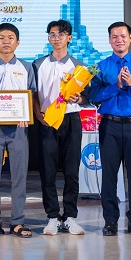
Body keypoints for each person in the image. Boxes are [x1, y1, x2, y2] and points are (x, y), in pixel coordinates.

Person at [91, 21, 131, 237]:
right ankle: (110, 221)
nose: (119, 40)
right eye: (114, 37)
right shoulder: (101, 66)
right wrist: (116, 86)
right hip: (109, 125)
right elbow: (94, 96)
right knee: (109, 175)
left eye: (123, 36)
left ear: (130, 38)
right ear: (109, 40)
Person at [0, 23, 37, 238]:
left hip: (19, 128)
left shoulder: (27, 67)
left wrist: (26, 115)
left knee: (19, 176)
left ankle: (18, 222)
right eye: (1, 37)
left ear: (17, 42)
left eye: (10, 37)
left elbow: (31, 95)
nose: (6, 41)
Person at [32, 20, 86, 235]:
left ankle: (70, 216)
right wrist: (39, 115)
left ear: (69, 38)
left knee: (72, 170)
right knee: (48, 171)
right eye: (52, 34)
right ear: (48, 38)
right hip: (47, 121)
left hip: (71, 120)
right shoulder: (38, 64)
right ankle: (53, 216)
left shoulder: (79, 66)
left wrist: (79, 98)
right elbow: (32, 93)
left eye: (61, 34)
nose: (56, 38)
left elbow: (86, 96)